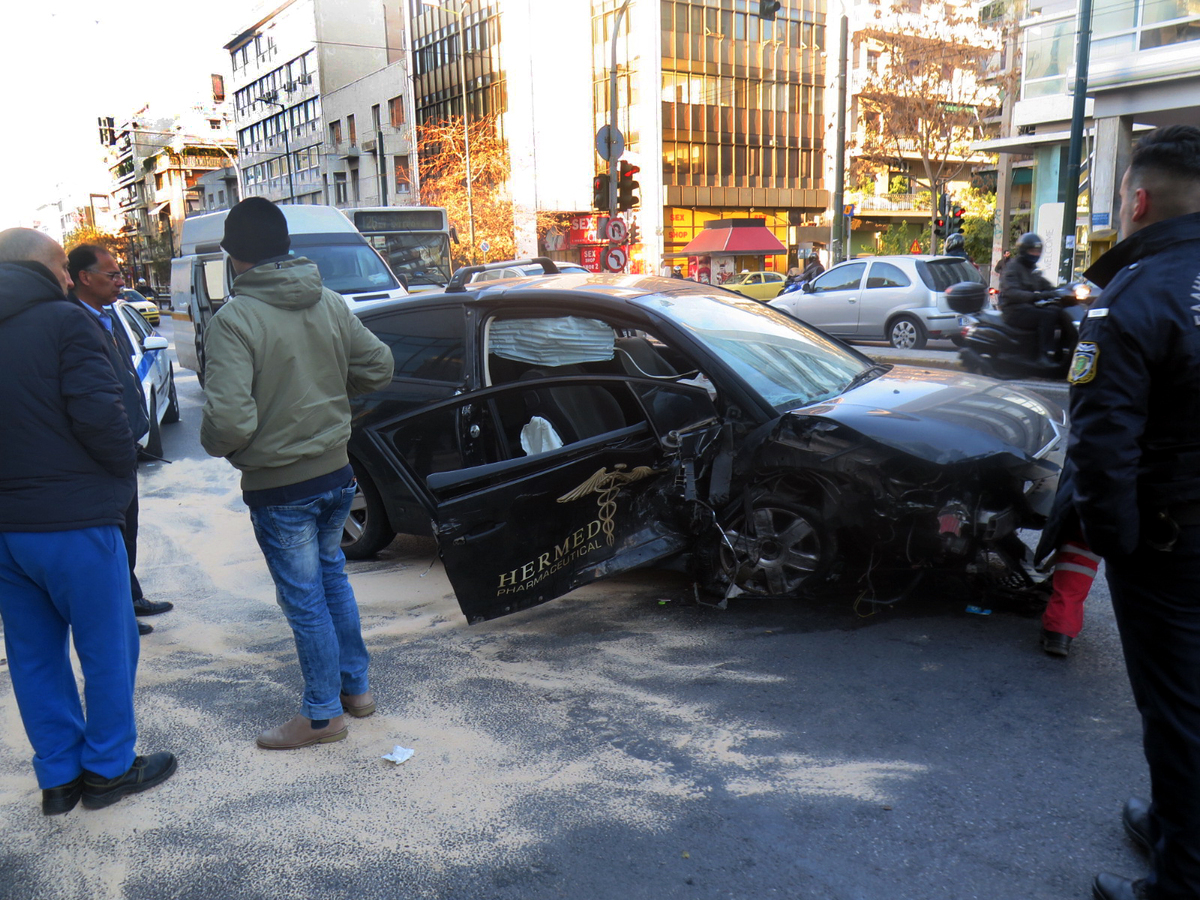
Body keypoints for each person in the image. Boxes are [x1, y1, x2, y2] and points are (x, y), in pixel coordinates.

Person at [200, 198, 393, 751]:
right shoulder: (328, 301)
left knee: (305, 599)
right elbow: (379, 366)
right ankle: (356, 691)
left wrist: (224, 442)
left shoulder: (234, 319)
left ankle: (320, 716)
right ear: (286, 246)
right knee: (333, 580)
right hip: (337, 474)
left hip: (279, 486)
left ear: (233, 256)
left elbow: (229, 423)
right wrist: (330, 399)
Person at [1066, 125, 1200, 900]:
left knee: (1177, 712)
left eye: (1120, 195)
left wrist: (1122, 545)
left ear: (1139, 200)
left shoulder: (1137, 295)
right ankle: (1178, 822)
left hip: (1173, 549)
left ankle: (1180, 879)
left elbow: (1102, 446)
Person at [0, 228, 176, 814]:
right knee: (107, 647)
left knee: (33, 655)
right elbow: (104, 420)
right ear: (53, 268)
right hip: (74, 520)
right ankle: (107, 768)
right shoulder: (65, 322)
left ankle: (58, 777)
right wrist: (120, 473)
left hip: (7, 531)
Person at [67, 244, 173, 636]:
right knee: (110, 538)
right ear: (83, 277)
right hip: (103, 456)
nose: (120, 281)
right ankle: (118, 613)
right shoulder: (73, 322)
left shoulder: (106, 315)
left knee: (128, 528)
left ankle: (130, 596)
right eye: (111, 275)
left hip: (124, 446)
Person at [999, 232, 1073, 364]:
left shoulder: (1032, 269)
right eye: (1032, 251)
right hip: (1013, 310)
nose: (1035, 254)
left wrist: (1065, 291)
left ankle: (1062, 351)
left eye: (1038, 251)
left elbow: (1046, 285)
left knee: (1058, 311)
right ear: (1023, 250)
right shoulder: (1012, 268)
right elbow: (1012, 292)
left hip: (1027, 307)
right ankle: (1043, 355)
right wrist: (1036, 296)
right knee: (1047, 315)